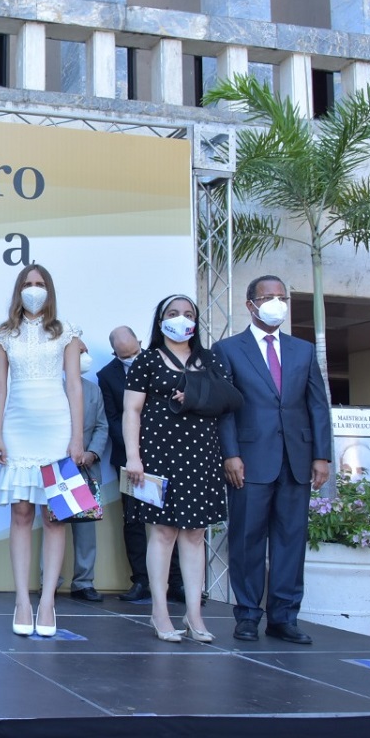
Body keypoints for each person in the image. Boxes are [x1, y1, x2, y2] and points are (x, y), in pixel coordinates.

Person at [212, 275, 331, 645]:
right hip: (249, 460)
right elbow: (224, 410)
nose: (276, 302)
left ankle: (284, 617)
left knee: (290, 540)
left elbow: (317, 406)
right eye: (267, 297)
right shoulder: (228, 349)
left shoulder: (303, 350)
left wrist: (322, 456)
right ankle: (247, 615)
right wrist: (230, 453)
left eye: (282, 297)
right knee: (247, 538)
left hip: (296, 459)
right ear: (250, 304)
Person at [123, 294, 226, 643]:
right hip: (158, 454)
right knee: (163, 532)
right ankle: (160, 611)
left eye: (187, 314)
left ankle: (194, 613)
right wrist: (133, 457)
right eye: (173, 313)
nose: (181, 319)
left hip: (202, 455)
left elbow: (226, 401)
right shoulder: (147, 360)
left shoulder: (211, 360)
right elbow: (132, 411)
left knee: (195, 534)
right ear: (160, 319)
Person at [0, 263, 84, 638]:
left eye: (40, 283)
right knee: (22, 512)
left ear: (50, 289)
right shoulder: (3, 334)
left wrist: (77, 438)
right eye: (28, 284)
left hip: (57, 429)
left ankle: (47, 602)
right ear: (18, 289)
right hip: (18, 428)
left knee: (55, 516)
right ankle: (22, 601)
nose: (34, 289)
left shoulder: (67, 333)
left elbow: (75, 386)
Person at [96, 326, 182, 603]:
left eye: (134, 352)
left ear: (141, 343)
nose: (131, 359)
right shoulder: (106, 375)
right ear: (114, 353)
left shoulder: (163, 361)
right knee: (133, 519)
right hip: (128, 460)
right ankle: (141, 580)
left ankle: (176, 582)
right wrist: (135, 450)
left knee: (171, 518)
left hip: (166, 454)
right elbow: (112, 419)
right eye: (124, 356)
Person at [67, 345, 108, 603]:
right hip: (58, 467)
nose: (84, 357)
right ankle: (47, 581)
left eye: (85, 352)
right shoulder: (51, 387)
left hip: (86, 468)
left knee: (85, 529)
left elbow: (102, 426)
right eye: (78, 352)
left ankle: (83, 582)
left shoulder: (93, 389)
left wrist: (91, 453)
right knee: (54, 526)